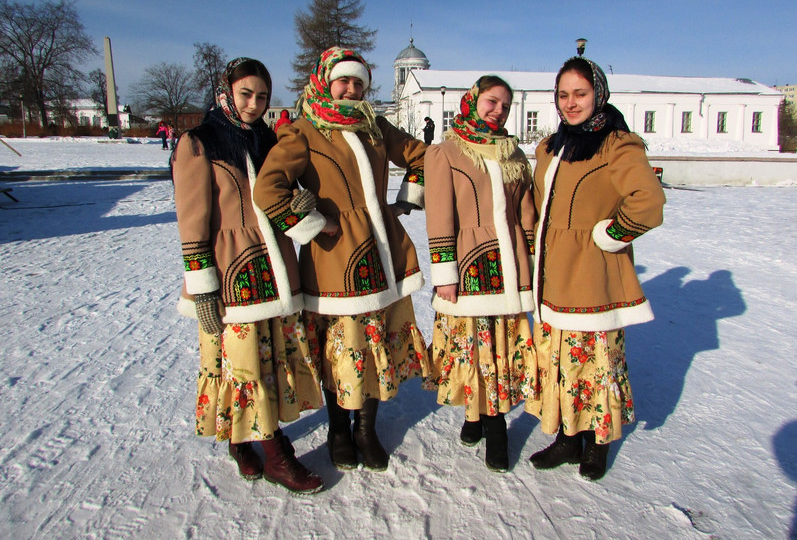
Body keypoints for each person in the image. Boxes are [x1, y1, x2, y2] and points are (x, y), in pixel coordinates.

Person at [253, 46, 429, 472]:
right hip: (334, 262)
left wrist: (405, 201)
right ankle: (337, 431)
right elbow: (267, 190)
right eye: (343, 80)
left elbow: (424, 157)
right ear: (325, 81)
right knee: (341, 348)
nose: (350, 89)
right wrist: (314, 222)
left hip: (383, 255)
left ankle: (366, 430)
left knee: (373, 346)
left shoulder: (376, 127)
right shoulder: (302, 131)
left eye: (358, 83)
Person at [171, 57, 325, 494]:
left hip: (275, 267)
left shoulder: (266, 139)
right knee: (242, 363)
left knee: (270, 358)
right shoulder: (198, 143)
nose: (255, 103)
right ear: (226, 91)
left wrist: (297, 206)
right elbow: (193, 222)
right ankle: (276, 455)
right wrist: (203, 289)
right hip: (231, 269)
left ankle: (242, 440)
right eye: (246, 94)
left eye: (261, 96)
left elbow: (275, 197)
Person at [525, 57, 666, 480]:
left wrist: (610, 236)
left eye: (580, 94)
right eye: (563, 95)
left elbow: (648, 202)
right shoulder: (550, 146)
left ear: (598, 94)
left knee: (596, 363)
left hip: (592, 278)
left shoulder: (617, 143)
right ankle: (569, 437)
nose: (571, 103)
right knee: (561, 362)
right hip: (551, 278)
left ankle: (597, 443)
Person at [423, 76, 537, 472]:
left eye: (505, 106)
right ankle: (488, 420)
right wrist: (444, 273)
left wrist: (531, 257)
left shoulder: (513, 153)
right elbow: (439, 215)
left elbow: (526, 210)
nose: (498, 111)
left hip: (511, 264)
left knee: (501, 346)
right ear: (472, 100)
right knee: (475, 345)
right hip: (470, 262)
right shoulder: (447, 152)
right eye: (492, 101)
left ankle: (485, 417)